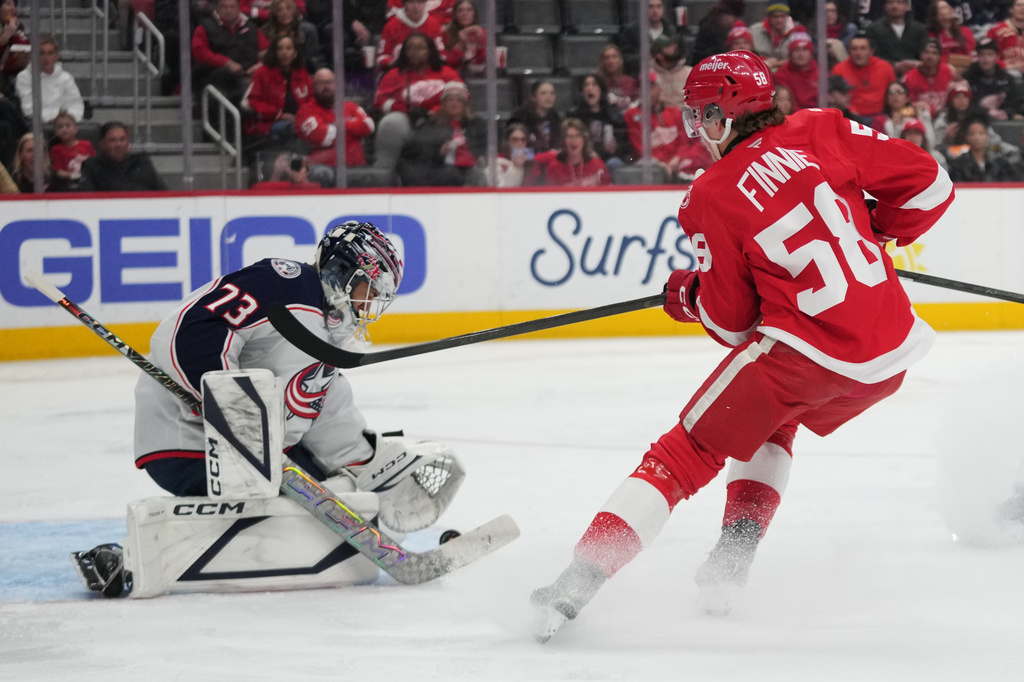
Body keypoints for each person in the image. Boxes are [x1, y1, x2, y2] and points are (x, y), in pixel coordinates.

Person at [531, 50, 953, 642]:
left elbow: (731, 325)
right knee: (771, 423)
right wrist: (873, 229)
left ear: (723, 113)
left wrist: (690, 297)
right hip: (889, 355)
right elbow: (932, 188)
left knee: (682, 455)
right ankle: (728, 568)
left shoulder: (710, 193)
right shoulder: (824, 126)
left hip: (807, 355)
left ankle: (574, 584)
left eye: (700, 116)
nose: (697, 130)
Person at [72, 221, 468, 598]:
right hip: (188, 439)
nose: (370, 303)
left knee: (336, 496)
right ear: (344, 271)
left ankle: (392, 539)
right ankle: (127, 560)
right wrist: (233, 410)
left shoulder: (328, 330)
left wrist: (371, 463)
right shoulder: (284, 283)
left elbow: (319, 409)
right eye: (369, 288)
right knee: (291, 509)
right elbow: (190, 328)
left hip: (263, 455)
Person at [397, 80, 485, 186]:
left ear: (465, 104)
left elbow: (485, 145)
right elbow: (417, 153)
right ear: (443, 104)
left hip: (472, 169)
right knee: (451, 174)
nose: (454, 103)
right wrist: (439, 152)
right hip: (442, 171)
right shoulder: (432, 124)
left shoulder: (477, 123)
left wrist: (481, 156)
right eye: (450, 100)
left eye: (458, 100)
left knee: (480, 174)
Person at [625, 74, 711, 181]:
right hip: (652, 165)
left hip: (678, 163)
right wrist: (661, 164)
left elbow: (686, 141)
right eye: (642, 88)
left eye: (651, 87)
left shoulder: (676, 112)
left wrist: (677, 158)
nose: (646, 91)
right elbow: (638, 146)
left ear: (659, 88)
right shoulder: (632, 115)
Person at [296, 68, 374, 186]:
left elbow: (369, 126)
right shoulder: (305, 111)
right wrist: (352, 127)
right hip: (325, 167)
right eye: (321, 83)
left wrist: (336, 125)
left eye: (330, 82)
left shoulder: (350, 106)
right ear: (313, 87)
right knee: (323, 175)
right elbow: (324, 137)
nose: (326, 86)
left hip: (357, 166)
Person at [192, 0, 271, 106]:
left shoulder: (251, 27)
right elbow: (200, 53)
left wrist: (260, 64)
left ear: (238, 9)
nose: (229, 10)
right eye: (224, 7)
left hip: (249, 74)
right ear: (218, 9)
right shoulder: (205, 26)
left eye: (232, 7)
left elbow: (267, 51)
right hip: (216, 76)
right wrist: (226, 63)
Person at [242, 34, 313, 140]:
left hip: (300, 120)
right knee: (297, 128)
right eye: (280, 49)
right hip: (270, 123)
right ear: (274, 52)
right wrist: (279, 115)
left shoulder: (302, 72)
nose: (284, 52)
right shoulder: (262, 73)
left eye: (289, 48)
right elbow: (252, 102)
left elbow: (312, 98)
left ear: (295, 53)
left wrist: (304, 115)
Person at [373, 32, 462, 117]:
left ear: (430, 51)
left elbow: (462, 96)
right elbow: (380, 100)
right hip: (406, 118)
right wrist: (404, 110)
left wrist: (436, 111)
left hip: (442, 117)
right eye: (410, 48)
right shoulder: (393, 75)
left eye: (420, 48)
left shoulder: (447, 72)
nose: (414, 52)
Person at [14, 34, 84, 124]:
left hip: (64, 123)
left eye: (50, 53)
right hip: (37, 125)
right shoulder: (24, 77)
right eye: (41, 53)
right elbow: (28, 108)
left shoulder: (66, 77)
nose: (46, 58)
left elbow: (76, 104)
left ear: (56, 56)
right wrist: (52, 120)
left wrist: (67, 120)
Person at [78, 122, 167, 192]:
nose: (118, 144)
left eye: (122, 139)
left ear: (128, 142)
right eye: (112, 140)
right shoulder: (91, 166)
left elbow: (163, 193)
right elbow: (86, 199)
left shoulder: (142, 162)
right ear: (102, 143)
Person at [831, 34, 897, 120]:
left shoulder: (885, 67)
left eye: (863, 48)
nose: (859, 53)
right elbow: (835, 96)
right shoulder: (839, 69)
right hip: (851, 117)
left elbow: (894, 92)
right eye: (854, 49)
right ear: (849, 51)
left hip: (880, 117)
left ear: (871, 51)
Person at [567, 74, 627, 167]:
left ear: (601, 90)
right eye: (586, 85)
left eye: (594, 84)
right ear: (582, 92)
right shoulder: (575, 116)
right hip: (584, 159)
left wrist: (616, 146)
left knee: (615, 163)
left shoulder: (613, 114)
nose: (589, 88)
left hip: (608, 158)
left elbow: (624, 146)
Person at [377, 0, 447, 73]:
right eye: (411, 2)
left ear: (426, 4)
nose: (416, 7)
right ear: (404, 4)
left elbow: (441, 54)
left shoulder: (434, 24)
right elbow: (382, 57)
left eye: (420, 2)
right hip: (399, 72)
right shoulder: (391, 26)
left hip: (428, 72)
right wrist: (394, 63)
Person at [947, 114, 1024, 181]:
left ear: (987, 135)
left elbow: (1009, 185)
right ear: (966, 137)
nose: (977, 138)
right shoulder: (958, 164)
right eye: (972, 134)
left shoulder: (1000, 162)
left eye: (981, 133)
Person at [864, 0, 928, 76]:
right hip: (884, 73)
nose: (895, 6)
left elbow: (924, 52)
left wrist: (917, 63)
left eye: (899, 3)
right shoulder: (873, 29)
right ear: (885, 7)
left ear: (907, 6)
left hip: (915, 73)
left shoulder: (919, 29)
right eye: (890, 3)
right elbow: (872, 55)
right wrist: (895, 65)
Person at [964, 39, 1022, 123]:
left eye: (990, 55)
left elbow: (1014, 101)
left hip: (1004, 121)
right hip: (975, 120)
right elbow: (964, 104)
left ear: (997, 56)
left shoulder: (1007, 78)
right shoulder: (968, 77)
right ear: (977, 57)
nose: (985, 59)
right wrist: (985, 112)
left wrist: (1006, 112)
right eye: (982, 55)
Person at [542, 118, 611, 188]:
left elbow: (608, 193)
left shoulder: (598, 165)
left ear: (584, 140)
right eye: (570, 137)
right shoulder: (554, 167)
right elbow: (551, 195)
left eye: (578, 136)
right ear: (563, 141)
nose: (574, 140)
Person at [619, 0, 682, 75]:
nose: (655, 11)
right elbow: (625, 58)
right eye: (650, 6)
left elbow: (682, 57)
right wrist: (647, 56)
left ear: (663, 9)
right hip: (641, 77)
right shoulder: (632, 31)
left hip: (668, 76)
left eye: (658, 6)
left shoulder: (673, 33)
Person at [260, 0, 323, 72]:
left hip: (300, 69)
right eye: (280, 10)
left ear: (294, 12)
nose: (285, 13)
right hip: (272, 70)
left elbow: (310, 58)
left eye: (289, 8)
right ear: (274, 14)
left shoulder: (307, 31)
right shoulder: (264, 32)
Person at [902, 38, 958, 119]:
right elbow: (905, 107)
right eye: (926, 52)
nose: (930, 56)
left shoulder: (949, 71)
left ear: (940, 57)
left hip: (947, 117)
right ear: (920, 55)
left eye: (934, 53)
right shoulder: (909, 78)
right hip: (920, 118)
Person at [509, 80, 563, 154]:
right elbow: (514, 153)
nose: (548, 97)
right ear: (534, 97)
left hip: (550, 162)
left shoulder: (556, 118)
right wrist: (545, 156)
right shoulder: (520, 118)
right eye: (543, 93)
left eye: (552, 93)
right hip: (527, 163)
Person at [872, 80, 934, 144]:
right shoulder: (880, 121)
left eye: (900, 92)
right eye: (891, 92)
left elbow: (929, 144)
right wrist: (894, 126)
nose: (895, 95)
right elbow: (879, 144)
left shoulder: (916, 118)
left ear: (908, 98)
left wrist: (925, 116)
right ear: (887, 99)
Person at [48, 110, 95, 192]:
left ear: (76, 129)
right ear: (55, 132)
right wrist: (72, 175)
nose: (64, 129)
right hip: (67, 186)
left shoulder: (87, 144)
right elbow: (58, 171)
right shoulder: (56, 149)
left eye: (68, 125)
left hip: (88, 183)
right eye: (60, 127)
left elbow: (95, 164)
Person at [751, 3, 806, 71]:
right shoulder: (754, 31)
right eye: (775, 16)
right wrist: (763, 61)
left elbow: (806, 57)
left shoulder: (798, 33)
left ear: (787, 17)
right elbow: (748, 52)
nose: (779, 20)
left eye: (782, 16)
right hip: (761, 71)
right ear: (769, 17)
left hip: (790, 72)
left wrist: (790, 62)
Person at [771, 32, 819, 111]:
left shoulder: (820, 72)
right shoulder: (781, 74)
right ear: (790, 54)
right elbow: (789, 105)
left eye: (805, 50)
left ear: (811, 53)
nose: (801, 54)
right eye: (796, 50)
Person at [926, 0, 976, 73]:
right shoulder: (930, 35)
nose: (950, 8)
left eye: (949, 6)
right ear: (937, 16)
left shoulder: (965, 31)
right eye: (944, 8)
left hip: (966, 70)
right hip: (941, 71)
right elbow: (932, 57)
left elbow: (971, 54)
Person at [691, 0, 746, 64]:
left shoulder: (715, 25)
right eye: (735, 17)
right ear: (725, 14)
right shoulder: (712, 28)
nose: (735, 21)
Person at [443, 0, 486, 77]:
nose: (465, 13)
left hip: (477, 76)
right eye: (460, 10)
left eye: (469, 10)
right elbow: (447, 63)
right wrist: (460, 44)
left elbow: (482, 61)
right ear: (455, 15)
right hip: (454, 75)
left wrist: (480, 43)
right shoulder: (447, 33)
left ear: (474, 14)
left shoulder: (482, 32)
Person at [651, 35, 691, 109]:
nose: (675, 48)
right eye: (669, 47)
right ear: (659, 56)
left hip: (688, 117)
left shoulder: (690, 73)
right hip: (663, 117)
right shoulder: (651, 76)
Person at [986, 0, 1024, 76]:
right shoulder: (996, 31)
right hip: (1002, 73)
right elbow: (986, 55)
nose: (1022, 8)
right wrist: (1004, 66)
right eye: (1019, 5)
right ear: (1011, 9)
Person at [597, 44, 638, 112]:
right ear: (602, 61)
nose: (611, 61)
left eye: (615, 57)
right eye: (607, 58)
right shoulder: (597, 83)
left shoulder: (631, 82)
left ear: (620, 60)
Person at [0, 0, 29, 96]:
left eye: (14, 5)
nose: (13, 8)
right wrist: (5, 37)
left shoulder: (17, 26)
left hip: (11, 74)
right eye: (8, 4)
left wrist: (16, 34)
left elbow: (23, 49)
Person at [251, 150, 322, 189]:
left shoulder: (312, 182)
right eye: (281, 160)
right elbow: (270, 190)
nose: (284, 163)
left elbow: (301, 181)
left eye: (286, 160)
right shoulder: (265, 176)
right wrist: (277, 171)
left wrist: (288, 169)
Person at [495, 122, 534, 187]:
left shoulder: (533, 164)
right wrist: (516, 168)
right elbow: (503, 190)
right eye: (515, 140)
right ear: (507, 142)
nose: (520, 143)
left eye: (523, 140)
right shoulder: (498, 162)